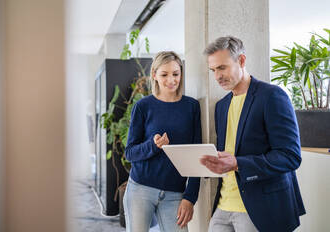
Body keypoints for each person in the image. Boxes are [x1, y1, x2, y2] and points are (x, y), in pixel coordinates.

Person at [200, 36, 306, 232]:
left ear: (241, 60)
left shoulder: (272, 96)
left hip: (260, 209)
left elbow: (290, 156)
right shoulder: (221, 106)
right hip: (223, 206)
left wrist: (238, 163)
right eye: (213, 70)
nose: (217, 76)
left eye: (222, 68)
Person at [123, 51, 201, 232]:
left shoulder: (192, 107)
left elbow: (197, 155)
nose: (171, 80)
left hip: (176, 193)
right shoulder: (143, 106)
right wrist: (153, 145)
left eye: (176, 74)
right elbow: (130, 152)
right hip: (140, 189)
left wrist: (190, 198)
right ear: (154, 75)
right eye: (164, 75)